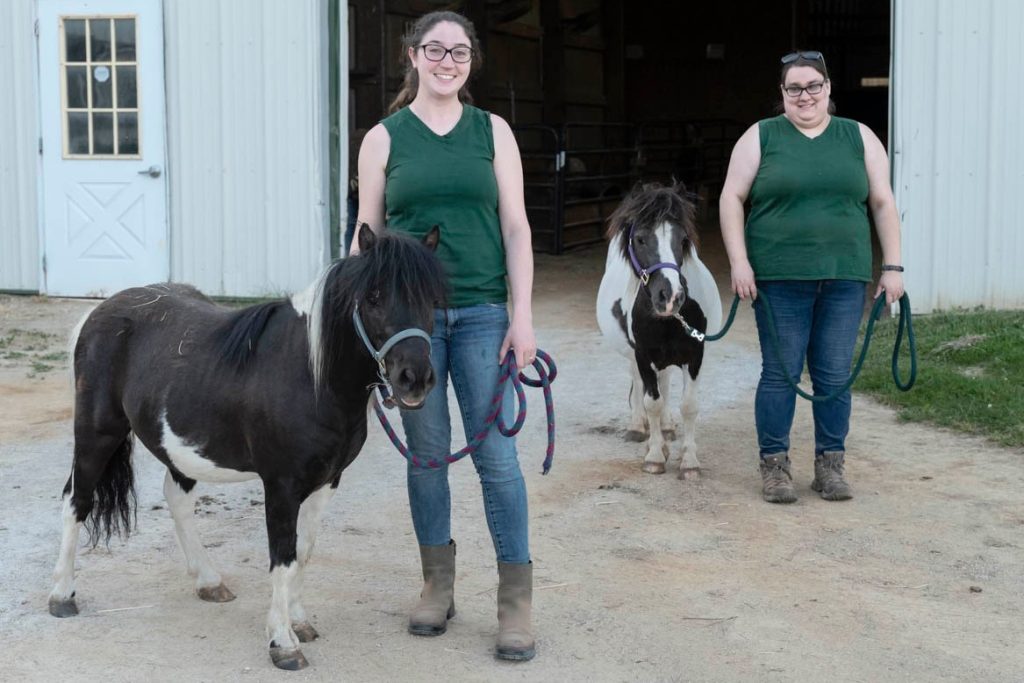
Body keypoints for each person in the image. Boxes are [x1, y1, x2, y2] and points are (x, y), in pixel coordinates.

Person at [351, 10, 537, 660]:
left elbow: (515, 226)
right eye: (435, 49)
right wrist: (364, 328)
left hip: (484, 309)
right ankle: (437, 585)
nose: (447, 60)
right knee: (427, 456)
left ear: (470, 61)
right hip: (412, 325)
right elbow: (365, 238)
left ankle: (515, 603)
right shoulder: (382, 138)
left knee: (496, 460)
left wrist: (523, 314)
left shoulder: (494, 132)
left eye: (459, 51)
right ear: (412, 54)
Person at [719, 50, 904, 504]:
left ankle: (830, 465)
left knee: (834, 375)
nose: (805, 95)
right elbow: (730, 198)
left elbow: (882, 202)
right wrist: (739, 260)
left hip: (844, 278)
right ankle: (775, 466)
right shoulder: (760, 137)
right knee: (780, 375)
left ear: (828, 89)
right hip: (779, 279)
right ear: (782, 94)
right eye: (794, 88)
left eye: (813, 86)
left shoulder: (858, 138)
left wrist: (893, 266)